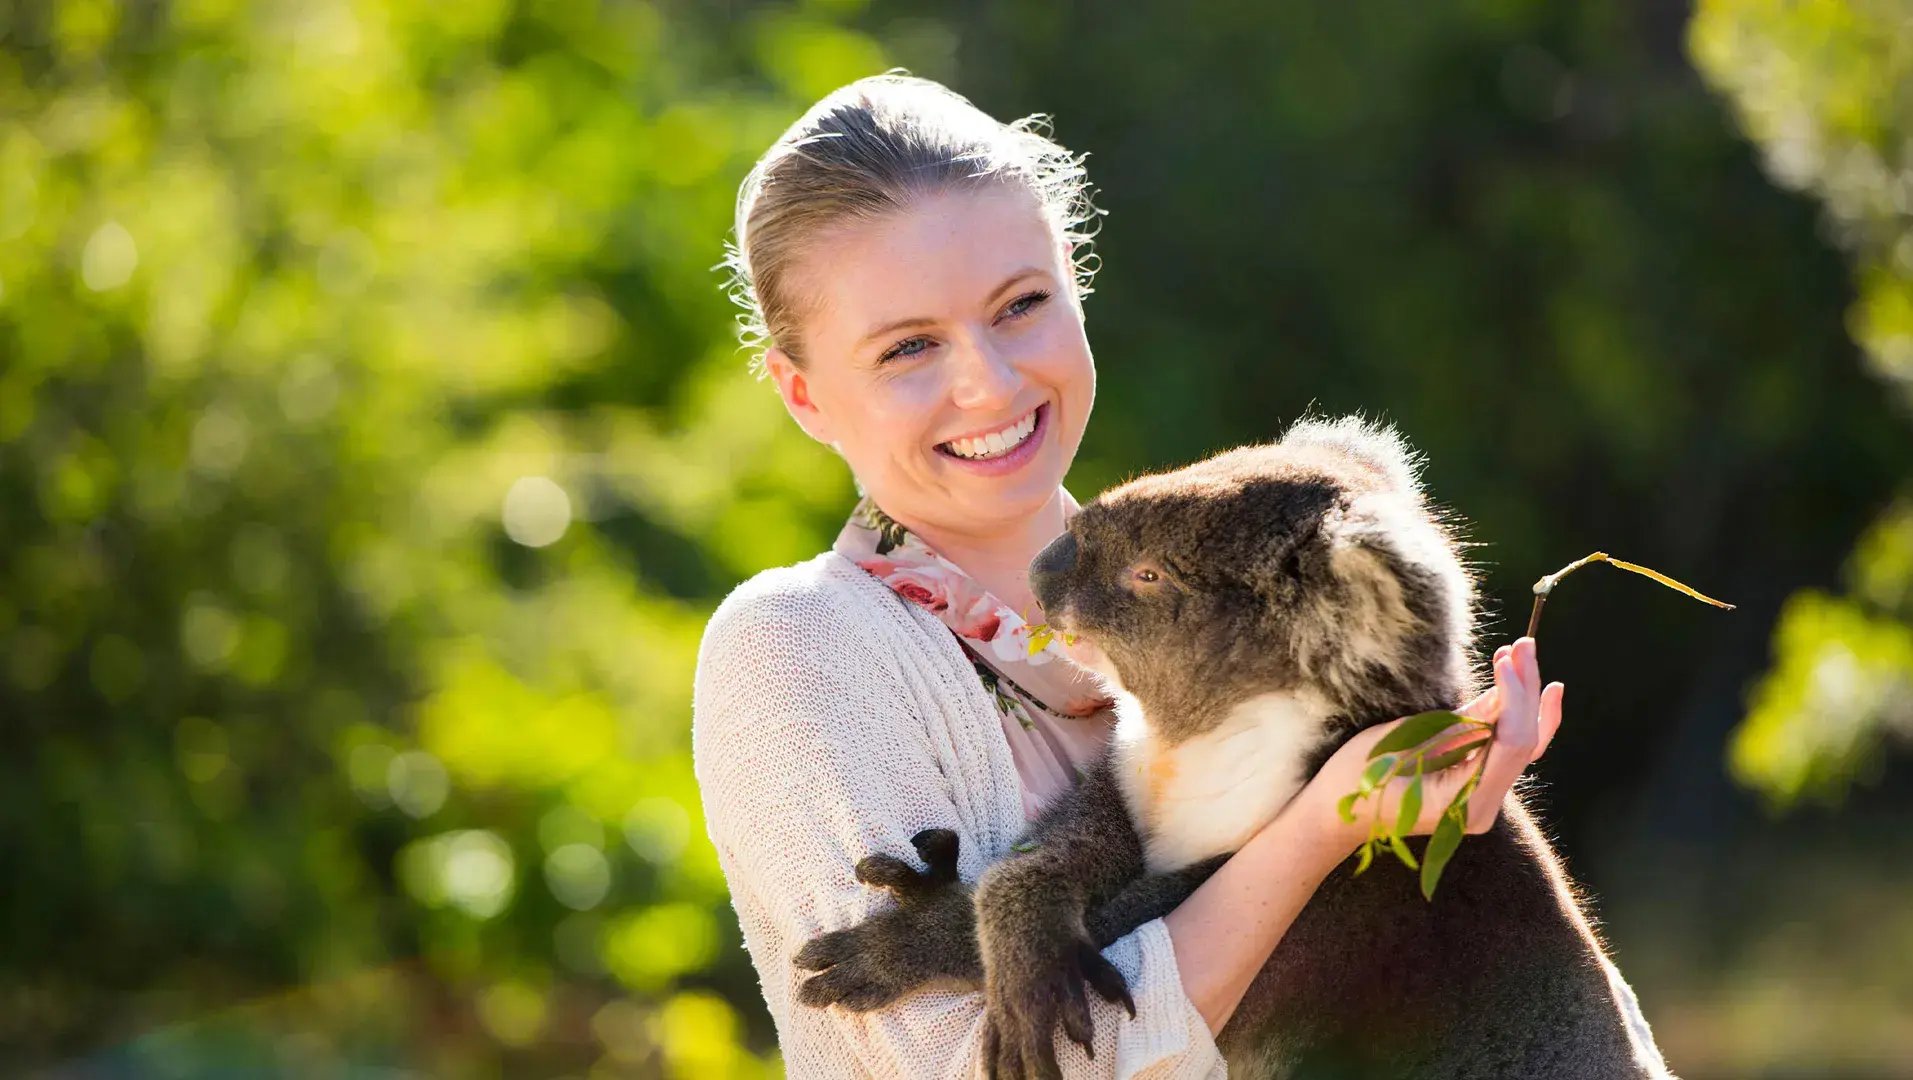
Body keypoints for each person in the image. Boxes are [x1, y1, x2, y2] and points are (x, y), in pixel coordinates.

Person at [692, 74, 1611, 1078]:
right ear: (803, 393)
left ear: (1075, 281)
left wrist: (1436, 785)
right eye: (909, 346)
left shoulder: (1233, 584)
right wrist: (1319, 831)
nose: (987, 384)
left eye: (1019, 306)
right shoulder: (800, 651)